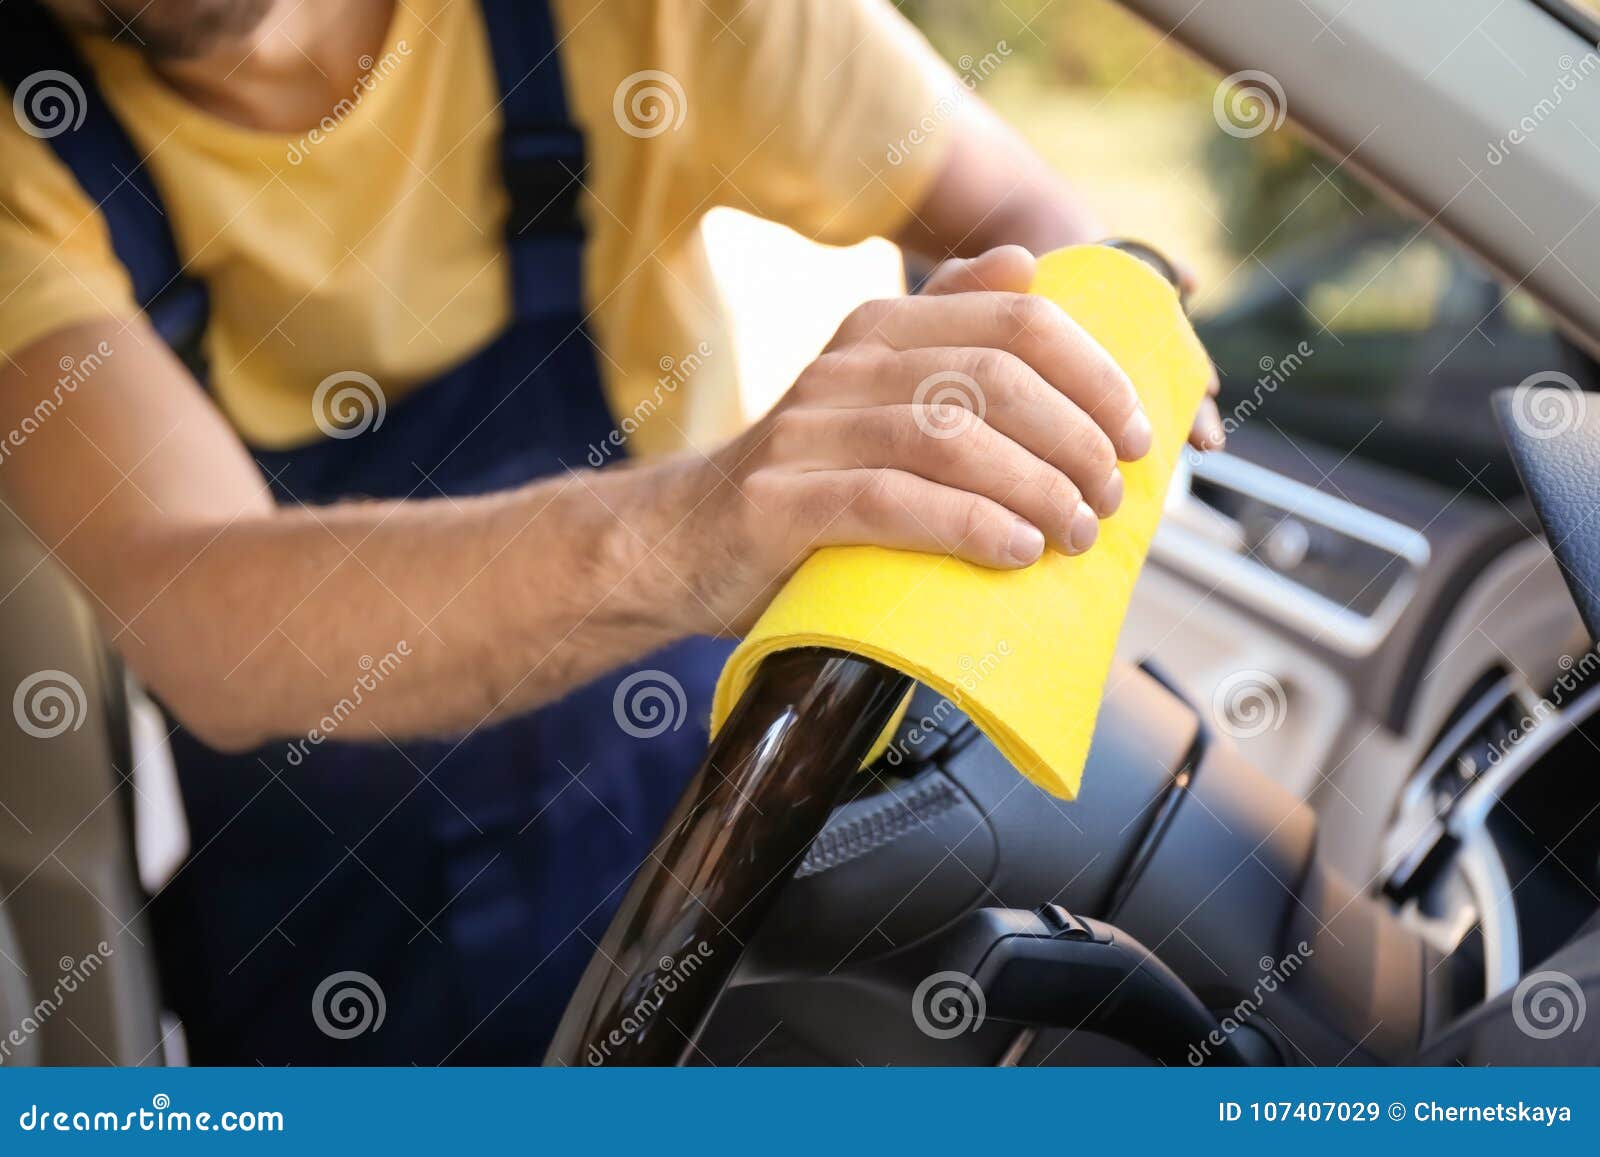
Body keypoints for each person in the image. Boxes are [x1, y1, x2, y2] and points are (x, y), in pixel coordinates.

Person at [0, 0, 1221, 1063]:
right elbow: (199, 606)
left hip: (687, 815)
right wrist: (686, 532)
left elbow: (1017, 212)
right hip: (331, 928)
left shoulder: (645, 14)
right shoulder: (25, 141)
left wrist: (1067, 348)